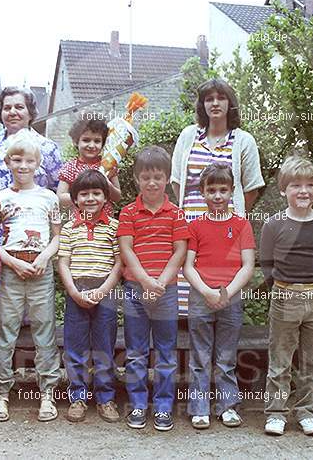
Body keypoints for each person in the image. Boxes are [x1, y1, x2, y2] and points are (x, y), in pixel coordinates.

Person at [0, 86, 63, 325]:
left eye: (19, 107)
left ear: (30, 111)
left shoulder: (47, 147)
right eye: (7, 107)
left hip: (29, 237)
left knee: (28, 299)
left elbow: (57, 189)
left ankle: (26, 354)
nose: (12, 112)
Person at [0, 130, 63, 422]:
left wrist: (45, 256)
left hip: (41, 270)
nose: (22, 166)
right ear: (8, 162)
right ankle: (2, 394)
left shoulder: (49, 197)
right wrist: (12, 263)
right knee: (6, 332)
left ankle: (47, 394)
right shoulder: (0, 198)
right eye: (16, 160)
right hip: (12, 270)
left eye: (29, 160)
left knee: (45, 332)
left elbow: (57, 237)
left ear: (38, 163)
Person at [171, 78, 265, 315]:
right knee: (189, 293)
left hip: (227, 229)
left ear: (229, 103)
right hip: (191, 226)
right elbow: (176, 182)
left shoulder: (244, 141)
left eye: (220, 98)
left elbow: (251, 188)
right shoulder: (188, 136)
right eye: (209, 99)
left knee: (224, 292)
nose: (215, 103)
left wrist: (229, 216)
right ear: (202, 105)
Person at [260, 155, 313, 436]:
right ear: (283, 190)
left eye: (309, 185)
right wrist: (280, 288)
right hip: (283, 297)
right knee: (280, 358)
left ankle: (307, 411)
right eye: (295, 185)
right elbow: (266, 263)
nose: (303, 191)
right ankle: (276, 413)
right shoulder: (273, 224)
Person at [117, 146, 190, 432]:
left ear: (167, 178)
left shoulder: (176, 214)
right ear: (136, 179)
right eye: (146, 177)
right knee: (135, 352)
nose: (152, 183)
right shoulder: (128, 212)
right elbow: (126, 250)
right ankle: (137, 404)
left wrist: (160, 283)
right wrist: (147, 281)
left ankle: (162, 408)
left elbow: (180, 251)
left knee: (165, 352)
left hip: (166, 292)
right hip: (136, 290)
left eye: (158, 177)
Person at [183, 163, 255, 430]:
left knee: (226, 357)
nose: (217, 196)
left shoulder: (241, 225)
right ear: (202, 192)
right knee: (200, 357)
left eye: (222, 190)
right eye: (211, 190)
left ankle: (227, 406)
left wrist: (227, 292)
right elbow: (188, 266)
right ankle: (199, 408)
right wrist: (207, 291)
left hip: (231, 298)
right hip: (201, 297)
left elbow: (248, 265)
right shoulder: (196, 226)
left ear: (232, 192)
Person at [57, 170, 122, 423]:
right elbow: (63, 262)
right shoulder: (69, 228)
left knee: (104, 347)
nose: (90, 198)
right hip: (77, 292)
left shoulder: (113, 227)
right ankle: (78, 397)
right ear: (75, 199)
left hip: (105, 292)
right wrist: (73, 291)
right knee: (75, 348)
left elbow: (119, 264)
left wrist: (103, 290)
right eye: (84, 194)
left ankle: (106, 398)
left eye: (96, 193)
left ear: (106, 197)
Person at [56, 116, 121, 218]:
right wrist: (81, 197)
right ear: (76, 142)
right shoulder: (71, 167)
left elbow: (117, 197)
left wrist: (108, 185)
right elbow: (60, 197)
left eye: (97, 141)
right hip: (79, 224)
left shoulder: (108, 164)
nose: (91, 145)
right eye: (86, 140)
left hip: (105, 223)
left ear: (103, 143)